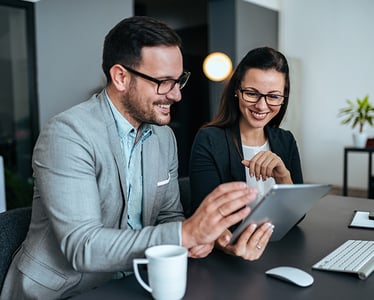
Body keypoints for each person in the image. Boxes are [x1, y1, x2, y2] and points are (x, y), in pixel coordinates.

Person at [0, 16, 258, 300]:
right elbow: (82, 246)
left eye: (179, 80)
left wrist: (205, 238)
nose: (176, 95)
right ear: (121, 77)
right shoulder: (68, 134)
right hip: (63, 291)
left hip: (135, 281)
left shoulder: (163, 137)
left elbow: (168, 215)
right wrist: (182, 235)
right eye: (163, 82)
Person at [189, 46, 304, 260]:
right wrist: (227, 245)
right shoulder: (210, 140)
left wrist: (283, 176)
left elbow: (296, 217)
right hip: (229, 258)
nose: (262, 105)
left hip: (280, 251)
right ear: (236, 89)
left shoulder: (285, 140)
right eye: (252, 93)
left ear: (283, 97)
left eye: (273, 96)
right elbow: (204, 219)